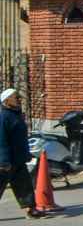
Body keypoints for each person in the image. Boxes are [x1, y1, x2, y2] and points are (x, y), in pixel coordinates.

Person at [0, 88, 45, 219]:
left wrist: (26, 154)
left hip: (18, 159)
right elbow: (1, 140)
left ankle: (31, 209)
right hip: (7, 161)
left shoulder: (17, 116)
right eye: (16, 97)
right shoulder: (4, 117)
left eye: (19, 97)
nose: (19, 100)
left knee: (24, 185)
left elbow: (21, 138)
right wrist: (3, 161)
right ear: (7, 101)